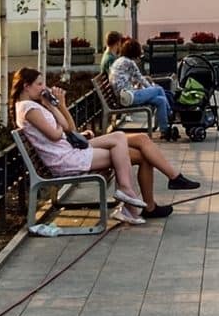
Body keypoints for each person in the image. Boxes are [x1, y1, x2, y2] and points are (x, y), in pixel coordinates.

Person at [12, 67, 172, 225]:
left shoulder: (35, 105)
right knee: (124, 147)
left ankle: (128, 200)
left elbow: (70, 128)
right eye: (39, 84)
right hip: (65, 159)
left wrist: (57, 106)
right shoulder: (29, 109)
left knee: (123, 141)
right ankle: (127, 194)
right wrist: (59, 124)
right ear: (26, 86)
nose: (44, 88)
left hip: (69, 152)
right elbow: (56, 134)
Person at [108, 38, 172, 134]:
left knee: (161, 100)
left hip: (124, 96)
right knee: (159, 89)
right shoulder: (129, 63)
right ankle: (170, 113)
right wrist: (152, 87)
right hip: (129, 97)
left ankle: (164, 130)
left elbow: (128, 78)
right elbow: (141, 79)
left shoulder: (120, 61)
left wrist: (149, 89)